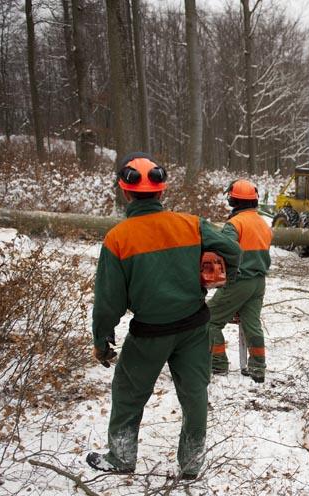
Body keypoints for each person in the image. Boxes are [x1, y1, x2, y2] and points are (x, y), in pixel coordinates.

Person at [87, 153, 241, 479]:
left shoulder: (118, 239)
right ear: (161, 191)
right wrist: (220, 272)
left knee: (129, 395)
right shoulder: (191, 224)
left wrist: (102, 338)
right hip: (194, 326)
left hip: (149, 333)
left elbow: (107, 302)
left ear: (125, 192)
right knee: (195, 394)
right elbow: (232, 249)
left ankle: (122, 457)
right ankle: (191, 463)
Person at [208, 179, 273, 382]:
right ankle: (257, 368)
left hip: (239, 281)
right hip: (258, 282)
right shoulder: (263, 223)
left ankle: (217, 364)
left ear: (233, 200)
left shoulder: (234, 224)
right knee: (251, 324)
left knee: (208, 320)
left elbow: (224, 252)